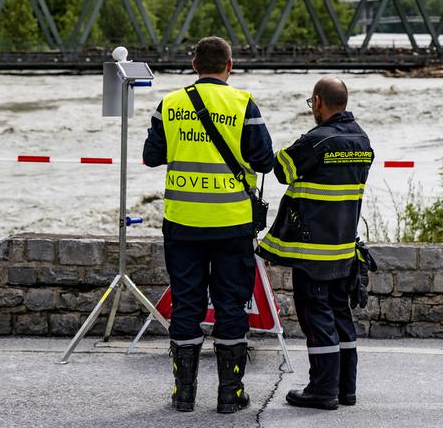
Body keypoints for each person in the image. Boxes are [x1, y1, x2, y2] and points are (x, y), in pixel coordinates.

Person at [143, 36, 274, 414]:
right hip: (232, 223)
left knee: (187, 303)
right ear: (229, 66)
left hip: (183, 222)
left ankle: (183, 395)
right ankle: (229, 395)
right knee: (231, 304)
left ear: (195, 64)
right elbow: (264, 161)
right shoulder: (242, 103)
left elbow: (152, 157)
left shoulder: (170, 104)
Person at [257, 76, 374, 410]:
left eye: (311, 103)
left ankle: (322, 391)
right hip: (343, 249)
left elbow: (280, 170)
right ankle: (344, 389)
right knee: (340, 314)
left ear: (319, 102)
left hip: (312, 250)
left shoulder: (317, 140)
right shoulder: (361, 140)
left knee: (316, 317)